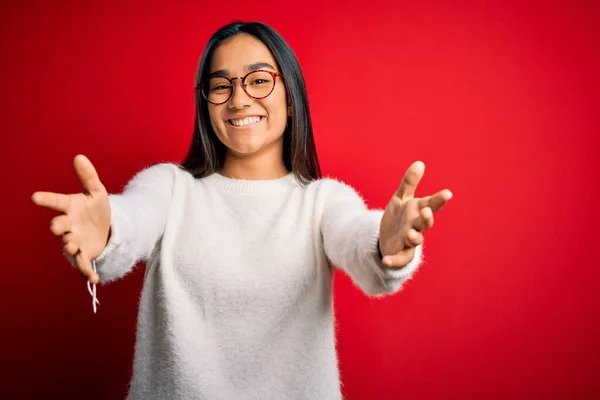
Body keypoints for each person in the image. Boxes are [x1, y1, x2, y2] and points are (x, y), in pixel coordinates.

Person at [32, 21, 452, 400]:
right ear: (206, 103)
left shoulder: (322, 201)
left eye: (258, 81)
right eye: (221, 86)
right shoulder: (171, 188)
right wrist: (107, 232)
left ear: (291, 99)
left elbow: (359, 242)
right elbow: (133, 219)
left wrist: (387, 243)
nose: (238, 99)